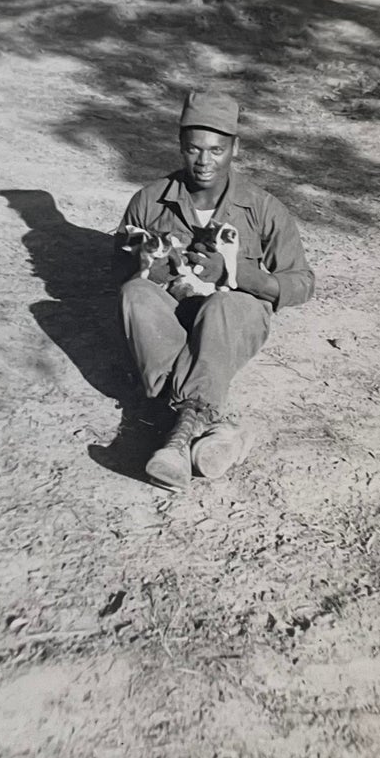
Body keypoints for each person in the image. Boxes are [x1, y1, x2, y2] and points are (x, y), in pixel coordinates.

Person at [116, 89, 315, 490]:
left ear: (235, 148)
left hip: (234, 316)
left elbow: (301, 283)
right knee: (132, 295)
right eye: (193, 149)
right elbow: (121, 263)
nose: (204, 162)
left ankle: (178, 436)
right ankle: (220, 430)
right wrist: (146, 267)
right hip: (174, 315)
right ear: (180, 146)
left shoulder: (262, 207)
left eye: (217, 150)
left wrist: (234, 272)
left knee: (222, 305)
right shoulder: (149, 200)